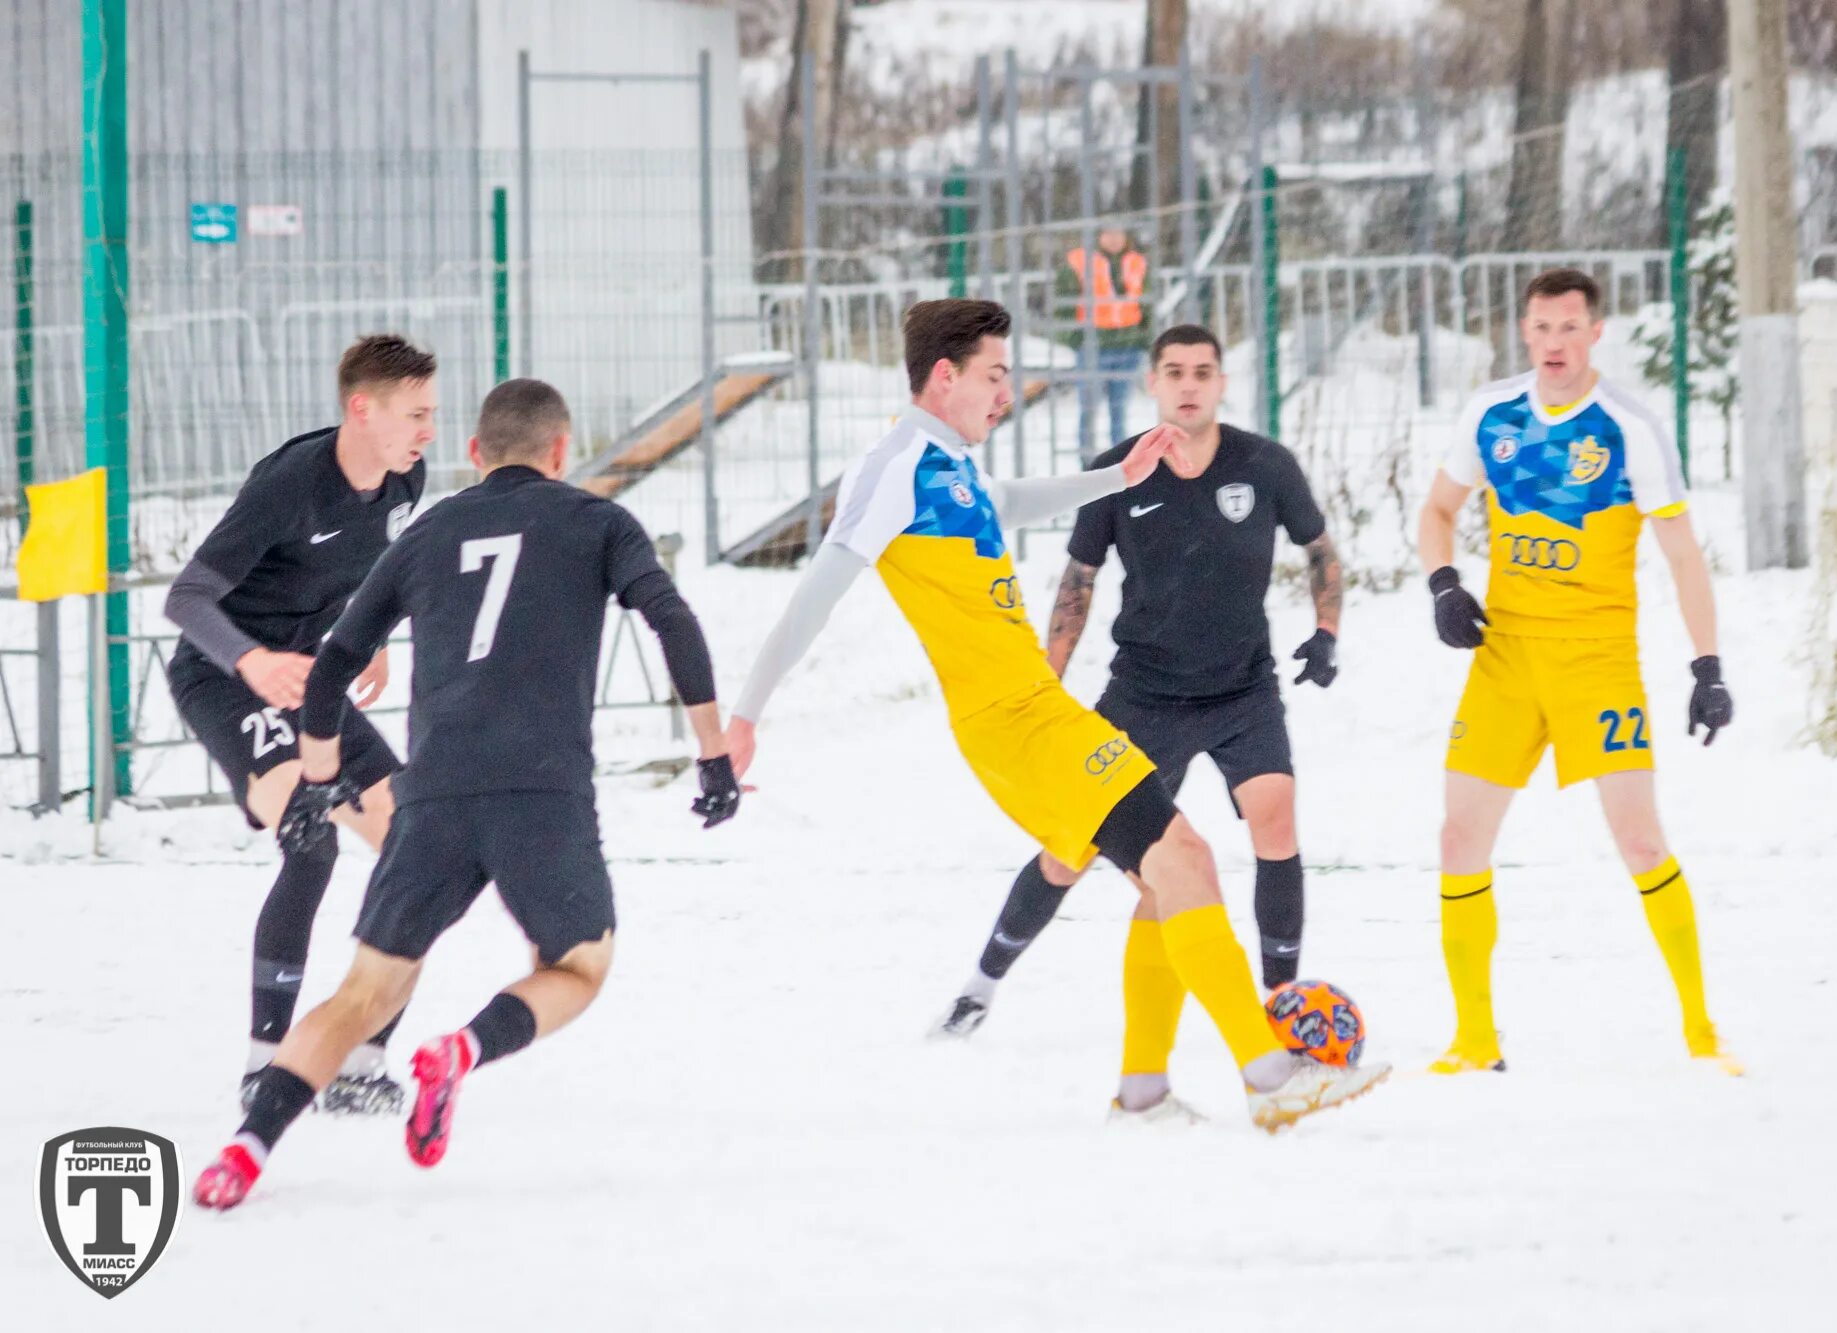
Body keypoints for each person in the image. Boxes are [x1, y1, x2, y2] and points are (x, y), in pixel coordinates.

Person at [726, 298, 1388, 1129]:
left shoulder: (949, 461)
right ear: (945, 376)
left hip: (1037, 709)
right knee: (1183, 855)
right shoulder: (893, 466)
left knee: (1163, 882)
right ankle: (1267, 1075)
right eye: (995, 376)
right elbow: (809, 602)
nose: (1008, 392)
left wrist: (1121, 476)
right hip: (1015, 725)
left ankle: (1143, 1095)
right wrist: (743, 716)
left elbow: (1009, 499)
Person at [191, 378, 740, 1210]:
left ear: (476, 455)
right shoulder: (597, 521)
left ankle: (244, 1149)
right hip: (541, 793)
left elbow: (335, 663)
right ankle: (461, 1051)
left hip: (432, 794)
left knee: (361, 992)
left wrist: (318, 769)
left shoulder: (431, 529)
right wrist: (713, 754)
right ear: (562, 453)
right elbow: (671, 617)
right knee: (578, 966)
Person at [937, 322, 1344, 1044]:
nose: (1189, 384)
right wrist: (1048, 678)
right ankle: (981, 984)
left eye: (1203, 371)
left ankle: (1284, 1001)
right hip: (1144, 696)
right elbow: (1079, 581)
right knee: (1071, 850)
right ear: (1151, 383)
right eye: (1175, 371)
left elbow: (1319, 548)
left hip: (1243, 691)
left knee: (1277, 818)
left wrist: (1326, 631)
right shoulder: (1116, 472)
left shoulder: (1266, 465)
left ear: (1221, 383)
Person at [1416, 266, 1739, 1077]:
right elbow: (1437, 509)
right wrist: (1444, 583)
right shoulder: (1492, 412)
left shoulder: (1627, 426)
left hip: (1597, 658)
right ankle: (1475, 1040)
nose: (1553, 342)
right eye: (1540, 326)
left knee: (1638, 838)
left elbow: (1682, 552)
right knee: (1459, 838)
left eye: (1569, 327)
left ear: (1596, 333)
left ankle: (1702, 1029)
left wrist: (1707, 665)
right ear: (1523, 330)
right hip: (1506, 655)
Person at [164, 333, 434, 1115]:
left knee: (417, 848)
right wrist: (252, 663)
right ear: (362, 408)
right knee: (310, 840)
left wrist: (371, 634)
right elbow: (185, 599)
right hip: (225, 677)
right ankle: (264, 1066)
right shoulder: (290, 484)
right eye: (415, 413)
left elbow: (377, 568)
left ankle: (360, 1063)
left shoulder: (404, 480)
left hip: (309, 679)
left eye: (431, 413)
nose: (428, 431)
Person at [1058, 225, 1151, 451]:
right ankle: (1087, 462)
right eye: (1108, 233)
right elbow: (1063, 303)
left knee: (1119, 412)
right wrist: (1074, 338)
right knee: (1088, 411)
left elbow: (1147, 304)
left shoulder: (1137, 263)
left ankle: (1119, 465)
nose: (1114, 239)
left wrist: (1144, 339)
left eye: (1118, 232)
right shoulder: (1079, 262)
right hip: (1093, 347)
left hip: (1128, 346)